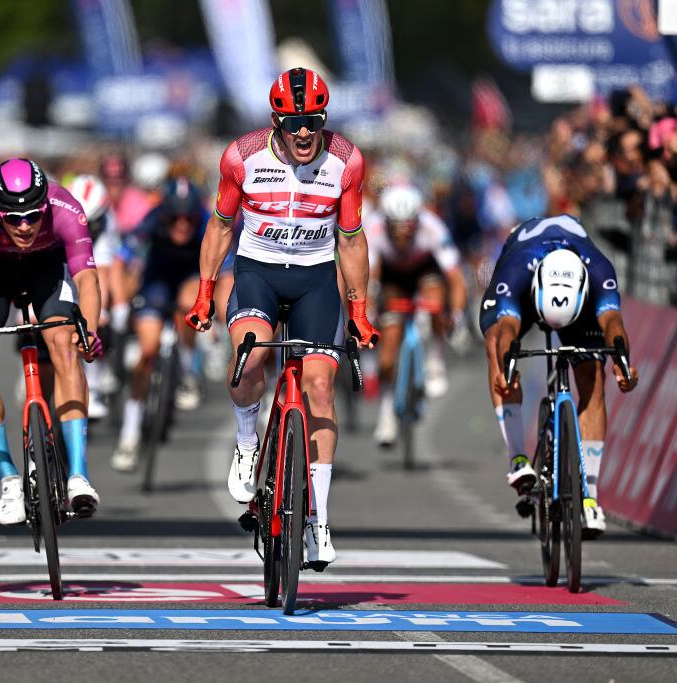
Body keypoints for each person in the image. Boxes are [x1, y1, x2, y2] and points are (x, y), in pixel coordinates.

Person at [185, 67, 379, 565]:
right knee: (249, 362)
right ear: (276, 120)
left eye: (313, 121)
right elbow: (221, 226)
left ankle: (318, 518)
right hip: (259, 276)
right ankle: (248, 442)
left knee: (318, 386)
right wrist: (206, 291)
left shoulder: (347, 161)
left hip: (316, 279)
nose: (303, 133)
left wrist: (359, 309)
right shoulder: (241, 157)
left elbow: (352, 240)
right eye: (292, 122)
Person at [0, 158, 103, 525]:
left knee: (65, 345)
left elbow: (86, 278)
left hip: (46, 269)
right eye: (13, 218)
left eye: (34, 216)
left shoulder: (66, 207)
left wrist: (91, 330)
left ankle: (79, 475)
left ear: (45, 207)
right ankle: (7, 476)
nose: (24, 226)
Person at [479, 214, 639, 537]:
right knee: (497, 344)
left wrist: (623, 363)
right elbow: (508, 326)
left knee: (593, 379)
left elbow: (612, 323)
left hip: (577, 304)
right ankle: (517, 458)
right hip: (523, 281)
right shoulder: (516, 270)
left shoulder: (599, 270)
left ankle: (590, 498)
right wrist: (507, 368)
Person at [110, 177, 208, 471]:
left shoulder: (206, 221)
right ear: (163, 215)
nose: (181, 225)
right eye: (175, 218)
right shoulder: (151, 220)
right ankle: (130, 434)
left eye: (188, 218)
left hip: (191, 277)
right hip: (156, 282)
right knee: (147, 352)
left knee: (190, 303)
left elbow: (225, 268)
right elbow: (119, 260)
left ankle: (188, 370)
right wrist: (120, 304)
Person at [367, 184, 467, 447]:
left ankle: (435, 357)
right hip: (390, 279)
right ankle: (387, 412)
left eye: (408, 227)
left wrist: (455, 314)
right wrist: (368, 309)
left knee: (435, 298)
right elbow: (369, 277)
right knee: (387, 354)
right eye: (396, 228)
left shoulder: (432, 227)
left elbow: (455, 279)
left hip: (424, 271)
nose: (402, 235)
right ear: (386, 222)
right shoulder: (373, 228)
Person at [67, 173, 118, 419]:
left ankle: (94, 386)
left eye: (92, 224)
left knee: (98, 321)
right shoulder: (59, 219)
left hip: (90, 270)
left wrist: (102, 313)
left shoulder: (108, 223)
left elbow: (103, 273)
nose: (86, 230)